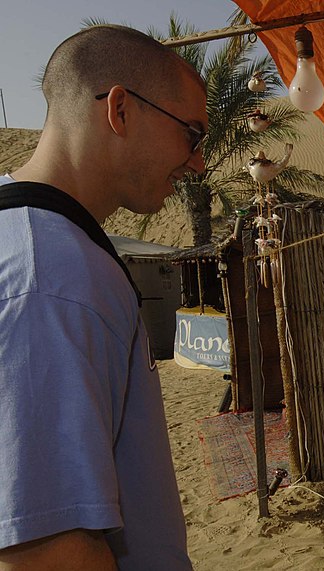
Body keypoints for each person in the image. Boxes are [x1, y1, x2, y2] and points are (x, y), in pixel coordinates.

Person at [0, 25, 206, 569]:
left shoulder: (34, 245)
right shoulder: (51, 277)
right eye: (192, 133)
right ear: (120, 110)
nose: (199, 162)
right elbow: (46, 552)